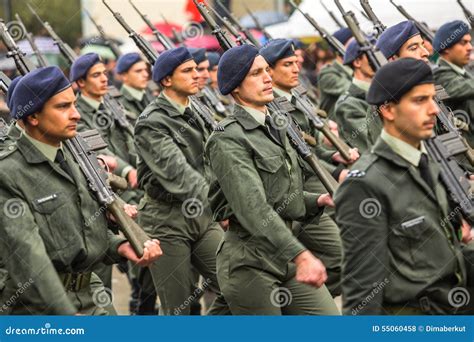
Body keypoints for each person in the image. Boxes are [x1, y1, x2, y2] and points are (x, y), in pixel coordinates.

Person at [0, 66, 161, 315]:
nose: (75, 114)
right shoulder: (8, 173)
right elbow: (30, 260)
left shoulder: (69, 157)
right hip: (37, 307)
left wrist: (118, 246)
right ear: (32, 117)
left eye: (74, 104)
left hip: (90, 292)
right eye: (63, 107)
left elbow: (80, 230)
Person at [205, 44, 340, 315]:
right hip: (250, 263)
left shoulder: (276, 126)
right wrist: (302, 255)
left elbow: (282, 197)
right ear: (235, 87)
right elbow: (253, 207)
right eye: (256, 73)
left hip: (284, 256)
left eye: (267, 70)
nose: (268, 78)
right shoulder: (227, 137)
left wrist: (320, 199)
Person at [335, 58, 473, 315]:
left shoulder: (428, 161)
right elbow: (363, 289)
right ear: (388, 110)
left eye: (432, 99)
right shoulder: (365, 185)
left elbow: (451, 247)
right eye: (420, 100)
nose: (433, 109)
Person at [259, 38, 360, 296]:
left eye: (297, 63)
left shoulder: (294, 97)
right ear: (268, 70)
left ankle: (301, 297)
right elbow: (298, 156)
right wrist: (336, 170)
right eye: (288, 64)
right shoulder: (272, 108)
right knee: (343, 254)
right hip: (301, 190)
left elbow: (311, 148)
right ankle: (301, 299)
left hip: (317, 184)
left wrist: (334, 155)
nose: (296, 68)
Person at [134, 47, 228, 315]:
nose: (197, 75)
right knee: (178, 308)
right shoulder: (151, 122)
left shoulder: (196, 109)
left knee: (235, 285)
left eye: (197, 69)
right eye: (188, 71)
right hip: (166, 219)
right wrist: (224, 201)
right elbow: (179, 174)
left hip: (201, 215)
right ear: (166, 80)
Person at [433, 20, 474, 147]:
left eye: (469, 42)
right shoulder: (440, 75)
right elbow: (465, 87)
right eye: (463, 43)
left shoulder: (462, 72)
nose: (470, 47)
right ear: (446, 48)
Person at [333, 39, 374, 153]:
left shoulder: (384, 92)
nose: (376, 59)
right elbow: (374, 144)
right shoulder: (347, 105)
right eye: (370, 56)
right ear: (357, 62)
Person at [318, 28, 353, 118]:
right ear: (339, 48)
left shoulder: (356, 68)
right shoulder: (327, 74)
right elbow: (355, 91)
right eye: (353, 43)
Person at [115, 52, 154, 126]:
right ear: (124, 76)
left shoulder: (151, 96)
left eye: (145, 70)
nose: (145, 74)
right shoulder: (120, 104)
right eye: (138, 71)